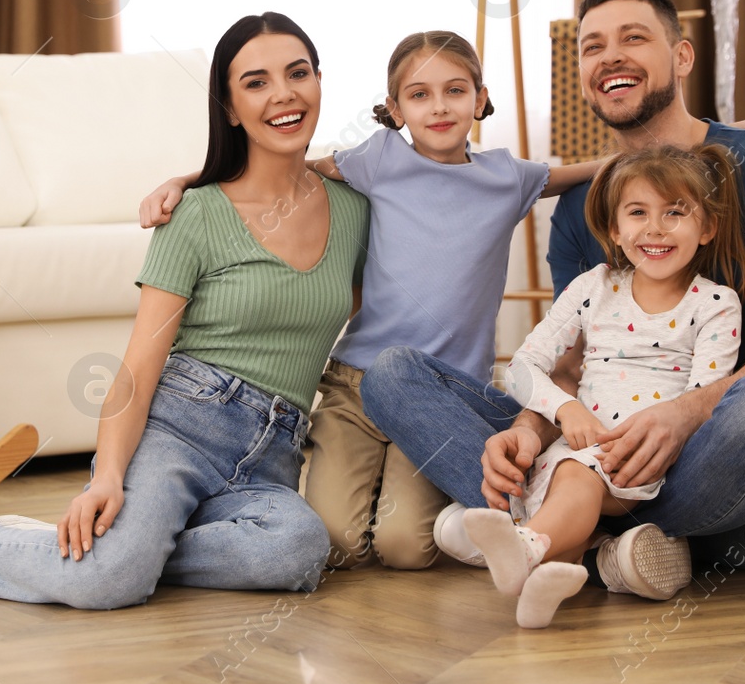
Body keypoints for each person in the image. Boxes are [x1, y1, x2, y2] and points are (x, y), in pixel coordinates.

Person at [0, 12, 370, 609]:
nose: (283, 93)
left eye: (297, 73)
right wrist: (106, 476)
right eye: (255, 82)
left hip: (274, 450)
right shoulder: (196, 215)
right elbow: (136, 366)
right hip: (181, 426)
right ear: (229, 109)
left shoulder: (353, 206)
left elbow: (414, 163)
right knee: (109, 582)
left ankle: (97, 550)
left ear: (319, 82)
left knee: (297, 552)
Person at [364, 0, 745, 602]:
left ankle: (562, 534)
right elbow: (573, 369)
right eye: (592, 47)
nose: (609, 56)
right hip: (605, 453)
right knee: (393, 374)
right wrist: (532, 434)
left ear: (681, 55)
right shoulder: (580, 212)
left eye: (634, 38)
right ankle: (602, 543)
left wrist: (681, 417)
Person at [143, 31, 600, 569]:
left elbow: (591, 170)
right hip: (354, 388)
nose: (439, 106)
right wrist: (189, 179)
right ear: (395, 110)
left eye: (455, 91)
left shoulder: (510, 178)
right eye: (419, 94)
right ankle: (159, 540)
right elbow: (285, 169)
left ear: (480, 99)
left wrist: (676, 147)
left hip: (435, 398)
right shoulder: (379, 158)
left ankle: (512, 527)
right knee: (335, 542)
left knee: (406, 548)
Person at [464, 143, 745, 628]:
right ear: (616, 229)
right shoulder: (594, 286)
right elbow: (522, 368)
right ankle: (544, 585)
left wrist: (640, 441)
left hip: (642, 458)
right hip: (576, 444)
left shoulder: (716, 304)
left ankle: (524, 545)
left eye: (675, 213)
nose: (655, 228)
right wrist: (565, 411)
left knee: (578, 476)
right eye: (638, 213)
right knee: (562, 480)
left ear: (707, 228)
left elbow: (703, 405)